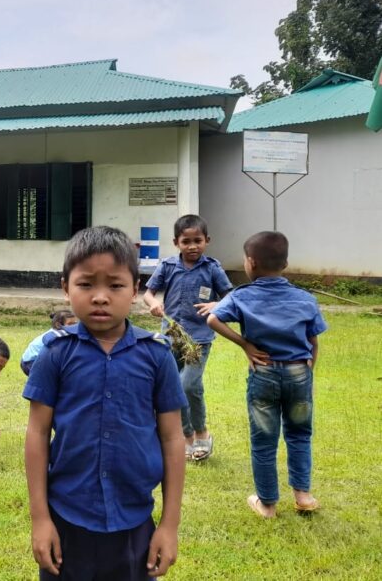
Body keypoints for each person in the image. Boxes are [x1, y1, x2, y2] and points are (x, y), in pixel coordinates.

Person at [24, 225, 186, 580]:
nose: (100, 297)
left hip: (135, 524)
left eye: (115, 285)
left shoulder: (157, 358)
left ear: (135, 289)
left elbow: (173, 438)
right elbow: (37, 433)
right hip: (66, 523)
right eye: (86, 284)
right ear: (65, 287)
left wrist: (169, 525)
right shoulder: (56, 355)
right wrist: (40, 519)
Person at [207, 231, 326, 519]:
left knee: (264, 439)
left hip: (263, 374)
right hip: (299, 372)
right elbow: (313, 340)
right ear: (285, 264)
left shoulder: (242, 296)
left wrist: (245, 344)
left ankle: (267, 503)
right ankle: (304, 496)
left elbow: (212, 319)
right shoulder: (304, 298)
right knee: (299, 434)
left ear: (250, 263)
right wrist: (309, 366)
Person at [143, 214, 233, 461]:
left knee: (188, 384)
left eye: (198, 240)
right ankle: (187, 437)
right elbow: (148, 293)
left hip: (199, 338)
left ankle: (202, 432)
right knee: (175, 387)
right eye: (186, 241)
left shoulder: (212, 267)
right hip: (171, 337)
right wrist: (153, 304)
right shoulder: (168, 266)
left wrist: (216, 304)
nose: (192, 246)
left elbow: (230, 296)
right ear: (176, 242)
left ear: (207, 240)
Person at [20, 309, 77, 376]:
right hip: (31, 362)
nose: (74, 327)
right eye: (70, 324)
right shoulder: (56, 335)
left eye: (75, 324)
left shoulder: (61, 333)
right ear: (58, 325)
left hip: (32, 360)